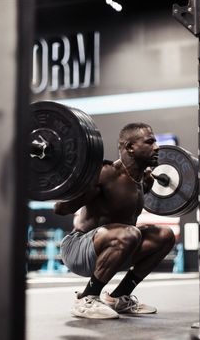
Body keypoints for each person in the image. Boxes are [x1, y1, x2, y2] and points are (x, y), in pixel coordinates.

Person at [54, 123, 175, 319]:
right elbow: (60, 209)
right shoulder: (106, 173)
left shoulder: (145, 181)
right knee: (130, 232)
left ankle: (119, 297)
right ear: (129, 147)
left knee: (164, 235)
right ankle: (87, 298)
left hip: (119, 246)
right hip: (79, 249)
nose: (157, 147)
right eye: (150, 142)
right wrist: (77, 184)